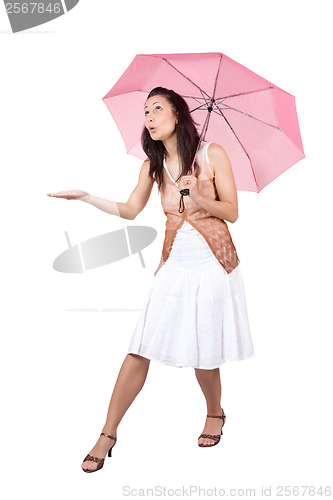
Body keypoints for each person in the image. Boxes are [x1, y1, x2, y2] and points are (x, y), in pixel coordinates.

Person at [47, 87, 254, 473]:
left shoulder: (213, 154)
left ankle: (215, 413)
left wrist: (199, 196)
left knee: (203, 349)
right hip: (174, 264)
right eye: (145, 112)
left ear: (178, 113)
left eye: (157, 108)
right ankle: (108, 433)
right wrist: (86, 197)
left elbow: (233, 212)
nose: (150, 117)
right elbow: (129, 209)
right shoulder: (152, 165)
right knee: (140, 345)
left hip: (214, 263)